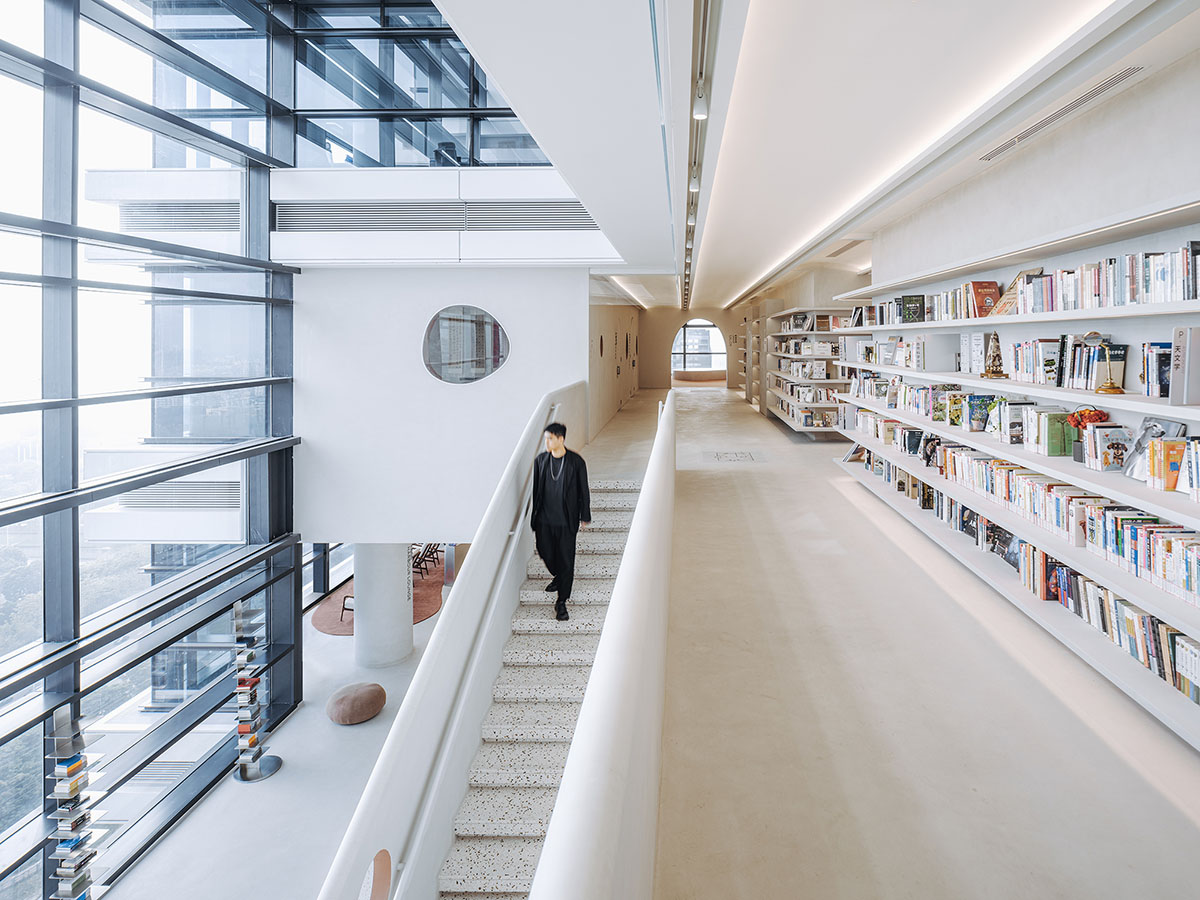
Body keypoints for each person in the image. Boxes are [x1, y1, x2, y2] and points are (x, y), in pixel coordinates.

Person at [531, 422, 591, 621]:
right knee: (545, 551)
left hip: (566, 521)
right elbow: (536, 492)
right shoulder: (540, 461)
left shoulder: (576, 462)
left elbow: (584, 490)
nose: (546, 442)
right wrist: (534, 516)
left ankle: (562, 601)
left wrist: (585, 515)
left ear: (560, 439)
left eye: (550, 438)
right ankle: (559, 576)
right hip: (544, 521)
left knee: (566, 560)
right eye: (546, 438)